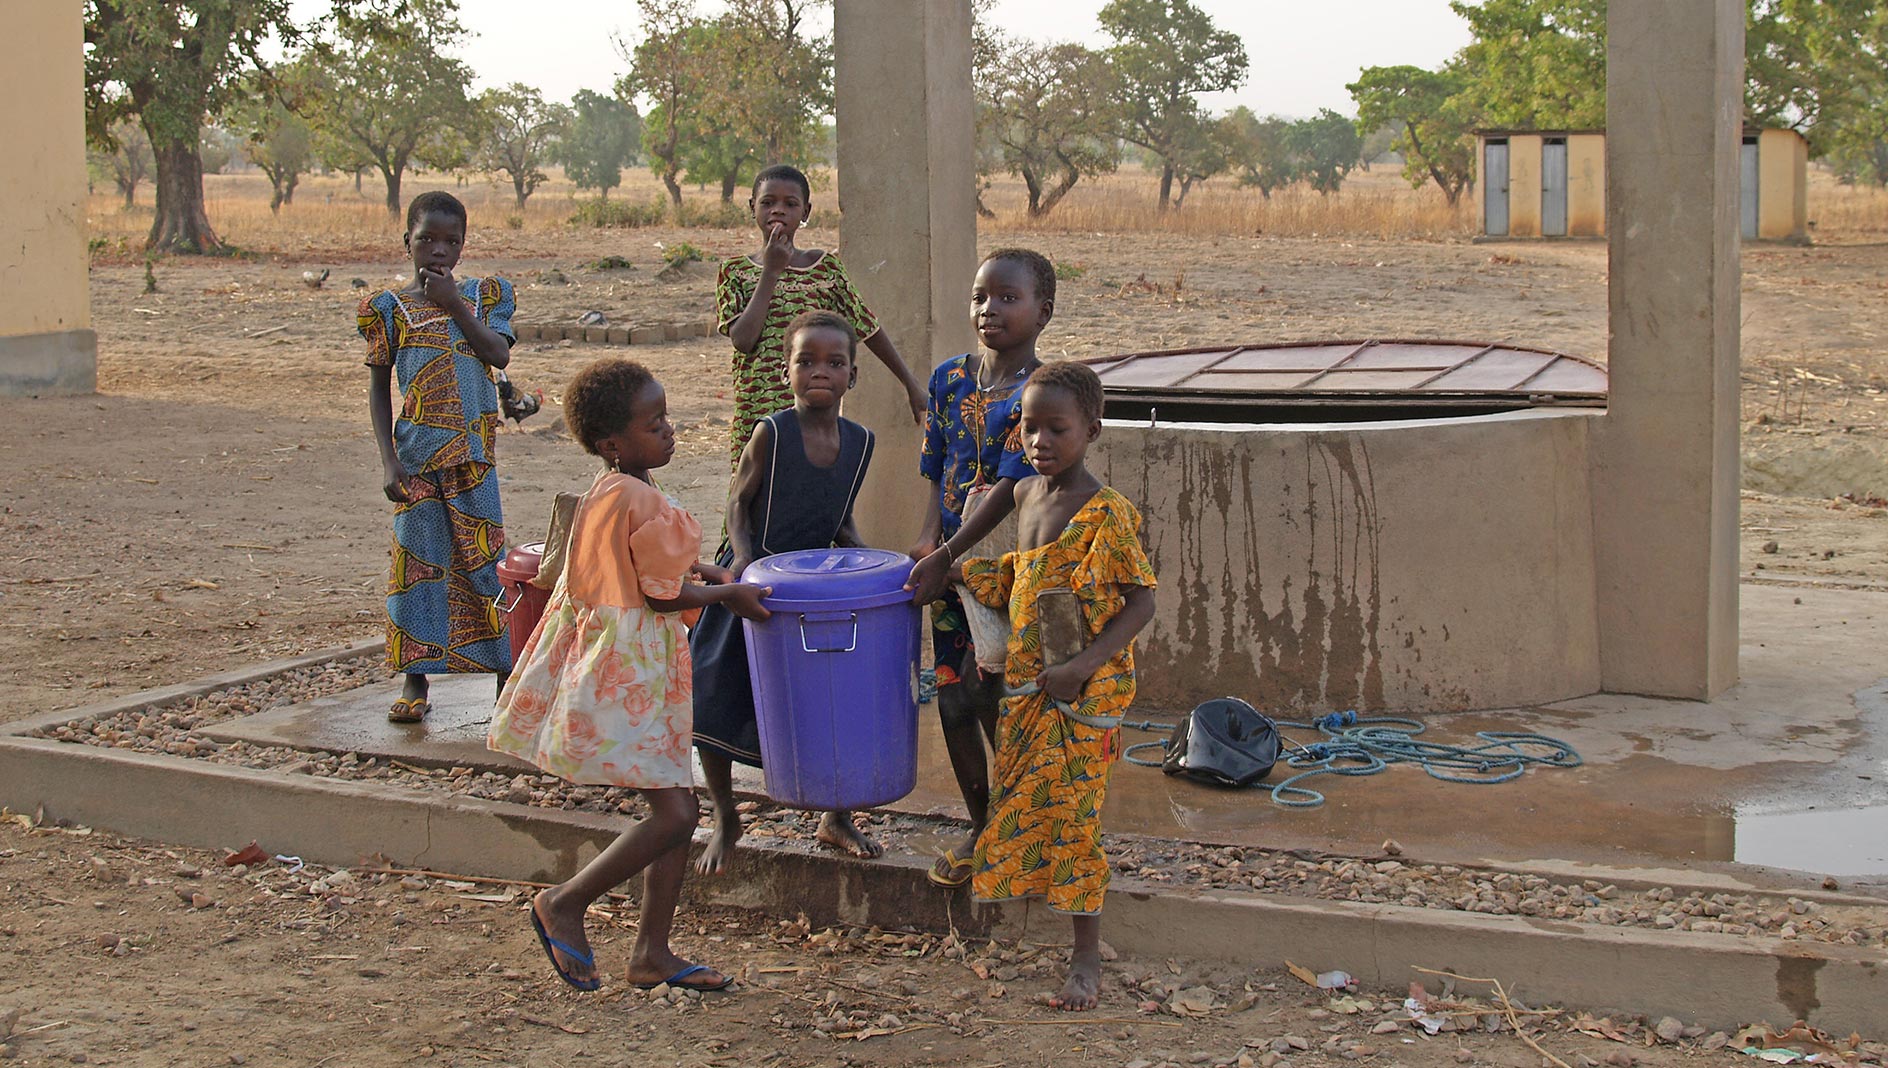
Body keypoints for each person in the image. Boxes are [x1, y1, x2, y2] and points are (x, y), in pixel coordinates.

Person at [488, 357, 771, 993]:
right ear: (615, 442)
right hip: (633, 670)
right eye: (654, 424)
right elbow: (665, 596)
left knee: (678, 802)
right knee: (673, 816)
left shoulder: (609, 488)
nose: (669, 431)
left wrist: (711, 573)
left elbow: (644, 565)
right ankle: (565, 902)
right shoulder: (640, 495)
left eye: (667, 418)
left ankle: (652, 954)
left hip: (624, 661)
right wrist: (729, 596)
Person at [955, 361, 1157, 1012]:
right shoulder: (1023, 496)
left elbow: (1140, 602)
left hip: (1081, 692)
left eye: (1056, 429)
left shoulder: (1107, 514)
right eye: (1029, 427)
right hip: (1028, 683)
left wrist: (1082, 666)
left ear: (1092, 430)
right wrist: (957, 575)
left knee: (1074, 816)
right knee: (1024, 795)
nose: (1039, 441)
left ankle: (1086, 954)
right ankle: (1025, 898)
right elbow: (1023, 573)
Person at [692, 310, 882, 874]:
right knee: (715, 701)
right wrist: (746, 561)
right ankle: (726, 814)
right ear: (786, 373)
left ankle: (836, 814)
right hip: (752, 585)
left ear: (853, 375)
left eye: (834, 362)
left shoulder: (860, 442)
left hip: (814, 591)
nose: (819, 371)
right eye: (806, 361)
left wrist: (870, 566)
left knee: (828, 705)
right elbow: (736, 502)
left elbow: (840, 518)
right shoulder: (771, 433)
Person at [902, 248, 1055, 888]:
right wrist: (926, 539)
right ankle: (981, 824)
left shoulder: (1041, 393)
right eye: (980, 297)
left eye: (1008, 298)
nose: (989, 310)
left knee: (993, 689)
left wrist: (946, 555)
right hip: (948, 567)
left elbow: (1005, 492)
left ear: (1043, 311)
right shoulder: (948, 379)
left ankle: (1022, 825)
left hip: (1005, 566)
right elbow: (938, 468)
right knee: (953, 697)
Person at [360, 191, 516, 723]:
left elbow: (497, 354)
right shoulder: (387, 308)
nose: (438, 250)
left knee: (485, 563)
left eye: (451, 241)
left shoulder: (486, 295)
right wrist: (387, 461)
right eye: (426, 238)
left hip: (473, 454)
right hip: (417, 457)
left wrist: (454, 304)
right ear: (407, 241)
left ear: (463, 245)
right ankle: (415, 682)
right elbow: (380, 391)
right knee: (417, 566)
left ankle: (507, 676)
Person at [716, 163, 927, 466]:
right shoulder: (734, 272)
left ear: (806, 212)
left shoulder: (824, 268)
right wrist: (771, 271)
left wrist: (909, 382)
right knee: (754, 496)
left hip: (813, 411)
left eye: (790, 204)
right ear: (752, 207)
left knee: (810, 491)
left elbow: (867, 326)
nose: (778, 211)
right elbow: (744, 340)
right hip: (756, 412)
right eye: (767, 202)